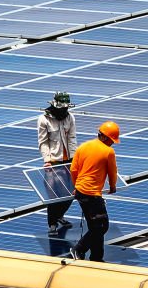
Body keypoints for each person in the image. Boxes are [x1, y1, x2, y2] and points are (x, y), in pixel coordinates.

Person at [69, 121, 120, 262]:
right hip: (91, 194)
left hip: (80, 191)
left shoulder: (83, 146)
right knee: (102, 226)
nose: (112, 143)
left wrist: (76, 186)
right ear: (104, 137)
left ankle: (97, 257)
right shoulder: (108, 152)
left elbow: (73, 169)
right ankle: (78, 249)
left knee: (95, 226)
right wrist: (112, 186)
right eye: (111, 140)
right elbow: (112, 172)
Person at [37, 91, 78, 236]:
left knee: (71, 193)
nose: (65, 110)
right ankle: (52, 223)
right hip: (54, 161)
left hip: (69, 161)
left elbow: (72, 138)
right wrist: (47, 161)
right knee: (55, 196)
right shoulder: (43, 120)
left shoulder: (70, 118)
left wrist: (74, 159)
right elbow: (43, 142)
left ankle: (60, 216)